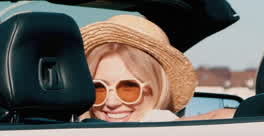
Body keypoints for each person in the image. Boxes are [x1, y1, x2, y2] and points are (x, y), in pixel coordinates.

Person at [80, 14, 234, 123]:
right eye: (98, 89)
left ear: (159, 87)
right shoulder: (74, 132)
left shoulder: (164, 128)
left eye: (128, 88)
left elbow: (226, 116)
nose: (111, 102)